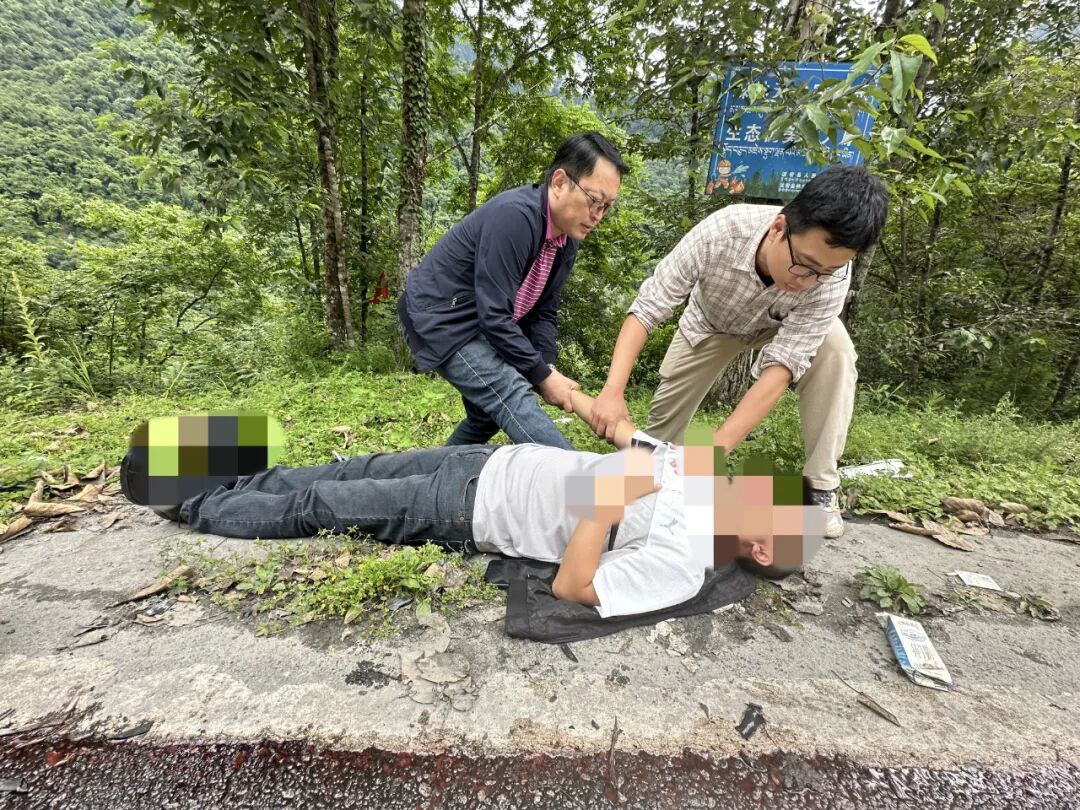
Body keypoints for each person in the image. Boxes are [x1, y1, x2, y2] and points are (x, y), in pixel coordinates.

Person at [126, 395, 823, 620]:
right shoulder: (705, 488)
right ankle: (217, 468)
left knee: (321, 503)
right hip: (490, 461)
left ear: (763, 547)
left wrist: (605, 504)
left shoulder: (681, 567)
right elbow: (636, 446)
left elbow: (574, 587)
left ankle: (190, 505)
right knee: (343, 469)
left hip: (472, 510)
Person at [587, 165, 889, 539]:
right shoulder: (723, 231)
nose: (809, 281)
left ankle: (821, 486)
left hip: (781, 327)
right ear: (778, 228)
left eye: (825, 273)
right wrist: (612, 390)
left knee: (836, 347)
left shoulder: (831, 278)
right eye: (805, 265)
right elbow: (649, 307)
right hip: (711, 325)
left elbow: (784, 364)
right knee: (658, 438)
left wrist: (715, 451)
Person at [398, 132, 628, 450]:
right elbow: (494, 315)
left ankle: (433, 474)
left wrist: (546, 366)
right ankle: (578, 479)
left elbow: (544, 312)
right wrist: (541, 377)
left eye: (606, 207)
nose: (597, 216)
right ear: (559, 182)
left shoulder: (566, 242)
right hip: (440, 316)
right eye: (593, 200)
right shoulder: (515, 217)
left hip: (477, 319)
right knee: (509, 391)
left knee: (485, 417)